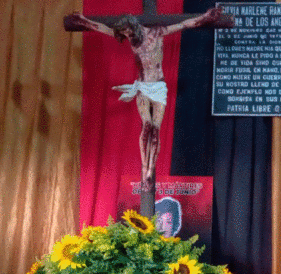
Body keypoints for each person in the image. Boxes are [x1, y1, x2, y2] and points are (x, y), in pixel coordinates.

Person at [65, 9, 227, 194]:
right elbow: (103, 28)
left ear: (134, 26)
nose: (126, 36)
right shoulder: (130, 37)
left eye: (128, 32)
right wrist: (83, 20)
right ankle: (144, 170)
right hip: (142, 87)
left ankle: (150, 169)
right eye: (124, 33)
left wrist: (204, 17)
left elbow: (184, 24)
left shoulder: (156, 33)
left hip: (158, 87)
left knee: (156, 131)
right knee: (147, 126)